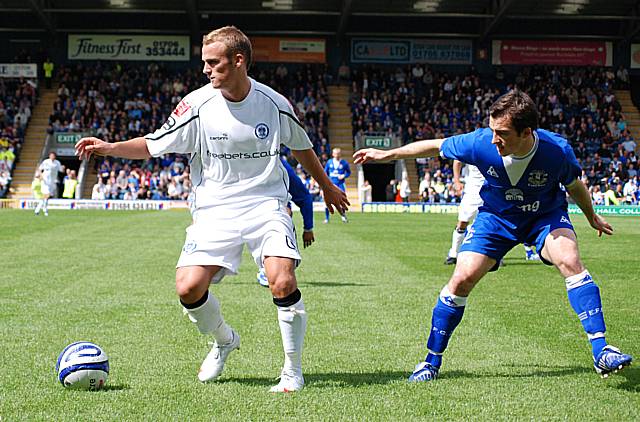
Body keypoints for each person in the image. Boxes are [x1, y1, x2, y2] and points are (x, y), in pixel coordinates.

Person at [75, 26, 349, 393]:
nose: (205, 69)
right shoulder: (196, 105)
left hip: (265, 203)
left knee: (282, 279)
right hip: (214, 208)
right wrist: (109, 147)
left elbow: (301, 147)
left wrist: (327, 186)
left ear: (238, 61)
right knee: (188, 289)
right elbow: (154, 144)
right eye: (204, 62)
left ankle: (292, 371)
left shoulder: (274, 103)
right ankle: (224, 340)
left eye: (212, 62)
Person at [354, 89, 632, 382]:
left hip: (544, 217)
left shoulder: (556, 150)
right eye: (491, 129)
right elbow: (435, 146)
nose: (493, 139)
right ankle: (430, 362)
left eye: (502, 133)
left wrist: (591, 217)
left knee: (570, 259)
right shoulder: (479, 143)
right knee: (461, 279)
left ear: (527, 132)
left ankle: (601, 351)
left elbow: (574, 186)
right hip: (496, 219)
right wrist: (387, 154)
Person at [445, 160, 540, 265]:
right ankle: (454, 253)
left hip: (495, 189)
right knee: (463, 222)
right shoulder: (472, 145)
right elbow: (457, 160)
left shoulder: (499, 147)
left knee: (497, 221)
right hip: (474, 189)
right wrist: (457, 181)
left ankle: (497, 256)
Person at [257, 157, 315, 287]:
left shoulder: (277, 162)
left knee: (284, 211)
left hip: (274, 211)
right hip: (237, 209)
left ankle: (270, 267)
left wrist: (308, 228)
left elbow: (304, 197)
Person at [323, 147, 351, 223]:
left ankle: (343, 217)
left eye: (338, 154)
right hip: (331, 184)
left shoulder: (344, 163)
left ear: (340, 154)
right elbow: (325, 172)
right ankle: (326, 218)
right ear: (332, 154)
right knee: (327, 201)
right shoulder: (329, 162)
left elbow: (349, 172)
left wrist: (343, 176)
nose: (337, 155)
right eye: (335, 153)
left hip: (340, 184)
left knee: (342, 200)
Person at [35, 151, 64, 216]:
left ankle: (38, 209)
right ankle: (45, 210)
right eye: (51, 155)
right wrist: (41, 176)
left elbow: (61, 170)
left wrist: (63, 168)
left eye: (53, 155)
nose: (52, 157)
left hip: (52, 181)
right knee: (46, 195)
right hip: (45, 180)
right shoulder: (46, 162)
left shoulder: (57, 163)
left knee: (46, 197)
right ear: (49, 156)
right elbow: (40, 169)